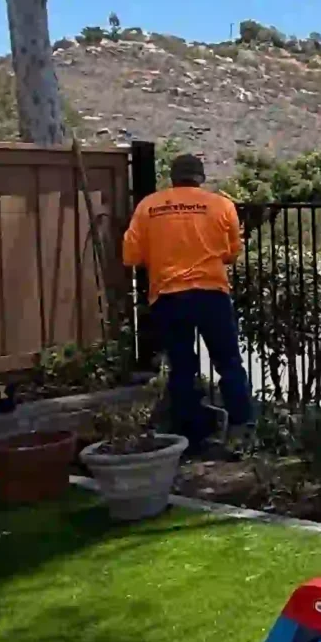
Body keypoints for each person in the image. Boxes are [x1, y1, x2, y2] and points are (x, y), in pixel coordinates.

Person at [121, 153, 254, 455]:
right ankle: (240, 430)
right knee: (229, 363)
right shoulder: (221, 205)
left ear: (172, 178)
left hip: (168, 296)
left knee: (182, 367)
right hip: (211, 293)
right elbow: (232, 253)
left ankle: (190, 436)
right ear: (201, 178)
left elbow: (130, 256)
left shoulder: (148, 206)